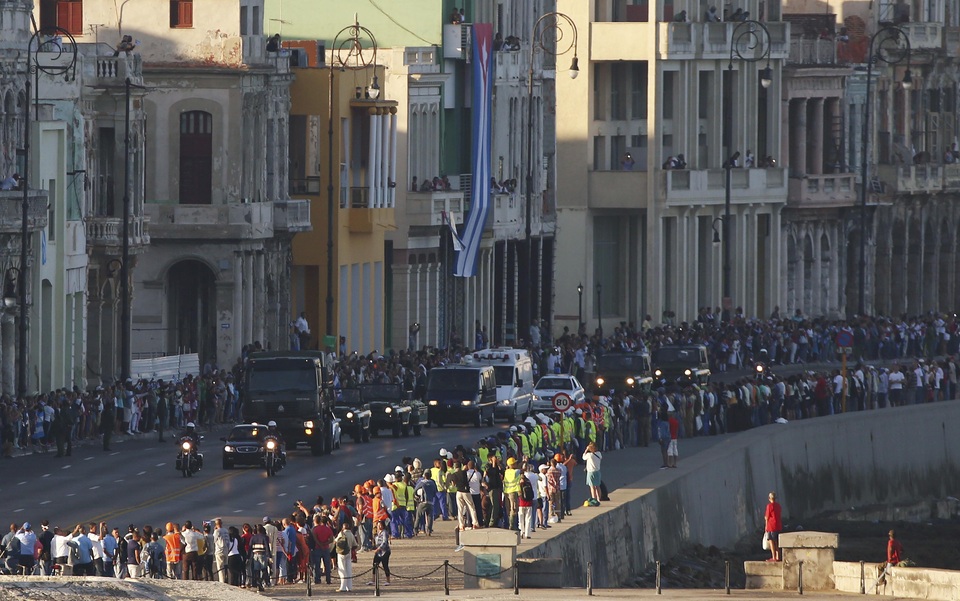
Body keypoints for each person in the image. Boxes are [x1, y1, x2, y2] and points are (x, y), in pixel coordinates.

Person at [333, 521, 357, 592]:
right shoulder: (351, 534)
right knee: (348, 569)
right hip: (348, 552)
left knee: (342, 569)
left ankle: (342, 587)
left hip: (341, 553)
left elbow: (335, 541)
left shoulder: (341, 533)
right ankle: (349, 587)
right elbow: (355, 545)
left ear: (343, 527)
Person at [369, 520, 391, 585]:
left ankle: (388, 580)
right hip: (378, 552)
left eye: (380, 525)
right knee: (375, 564)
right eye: (378, 525)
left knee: (385, 565)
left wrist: (379, 548)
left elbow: (384, 542)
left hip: (385, 551)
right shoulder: (377, 533)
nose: (379, 526)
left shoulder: (384, 532)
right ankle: (373, 580)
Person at [764, 491, 782, 562]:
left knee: (772, 542)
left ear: (769, 498)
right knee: (777, 542)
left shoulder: (769, 506)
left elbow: (767, 517)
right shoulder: (778, 506)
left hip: (771, 526)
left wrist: (766, 527)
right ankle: (778, 557)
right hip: (778, 526)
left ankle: (774, 557)